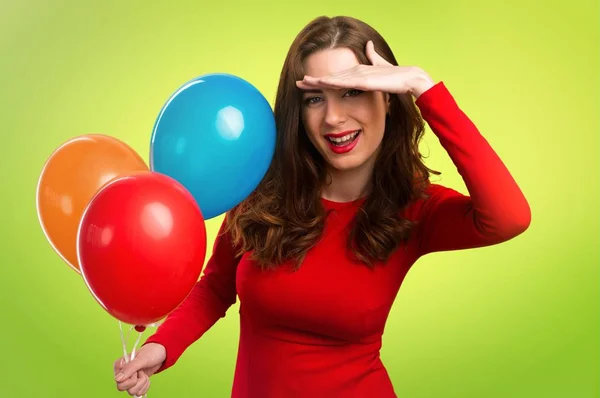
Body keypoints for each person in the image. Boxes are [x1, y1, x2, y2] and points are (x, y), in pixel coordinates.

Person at [112, 15, 531, 398]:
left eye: (354, 91)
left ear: (388, 98)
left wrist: (424, 87)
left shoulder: (414, 209)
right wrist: (160, 348)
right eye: (315, 98)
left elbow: (509, 217)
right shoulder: (261, 187)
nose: (333, 117)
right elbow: (217, 286)